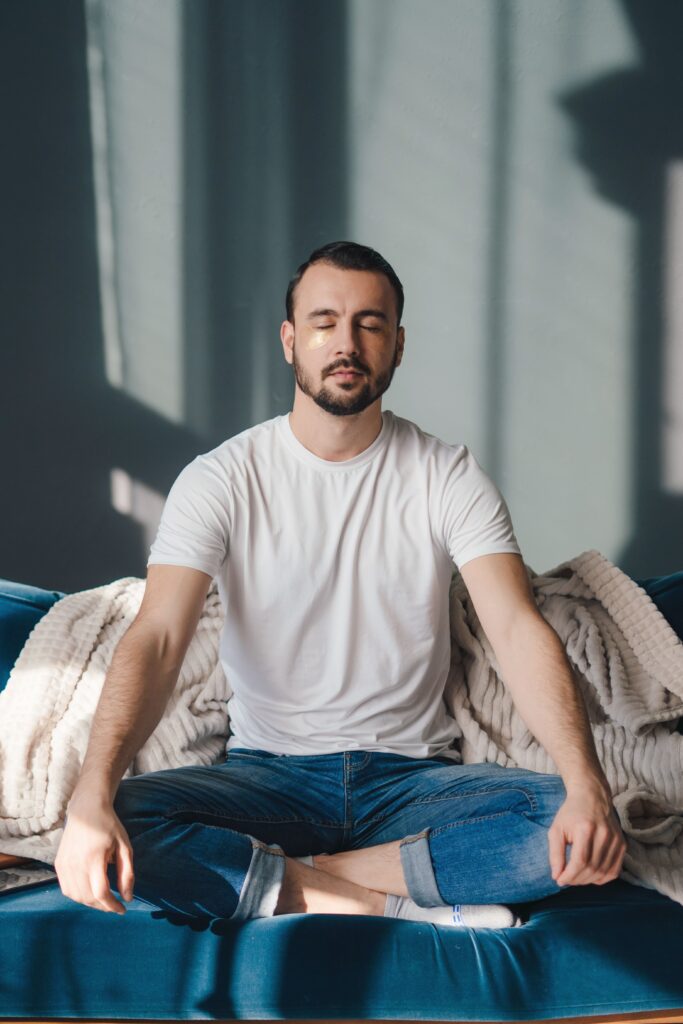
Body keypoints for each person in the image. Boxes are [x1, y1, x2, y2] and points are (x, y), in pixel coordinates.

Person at [54, 241, 626, 927]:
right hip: (268, 778)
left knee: (558, 815)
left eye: (370, 323)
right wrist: (92, 792)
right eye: (324, 321)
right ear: (290, 339)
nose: (346, 342)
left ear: (398, 344)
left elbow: (513, 626)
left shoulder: (447, 475)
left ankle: (305, 882)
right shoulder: (221, 478)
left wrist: (585, 782)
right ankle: (395, 904)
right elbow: (159, 634)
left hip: (410, 780)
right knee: (118, 819)